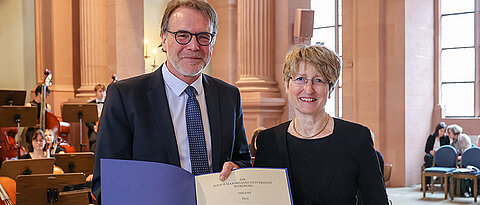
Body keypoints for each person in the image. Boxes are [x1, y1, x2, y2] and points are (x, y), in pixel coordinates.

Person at [92, 0, 251, 203]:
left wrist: (238, 169)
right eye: (182, 35)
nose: (193, 46)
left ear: (213, 41)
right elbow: (106, 184)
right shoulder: (126, 96)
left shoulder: (229, 96)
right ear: (164, 40)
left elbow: (243, 160)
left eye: (203, 36)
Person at [253, 44, 388, 204]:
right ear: (287, 85)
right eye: (300, 79)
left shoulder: (357, 138)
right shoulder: (268, 141)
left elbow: (377, 201)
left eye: (318, 80)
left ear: (330, 89)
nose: (308, 89)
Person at [85, 84, 106, 152]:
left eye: (103, 91)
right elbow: (87, 120)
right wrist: (93, 127)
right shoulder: (90, 105)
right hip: (94, 131)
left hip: (105, 129)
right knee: (94, 143)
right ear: (95, 92)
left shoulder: (108, 104)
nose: (102, 93)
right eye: (100, 91)